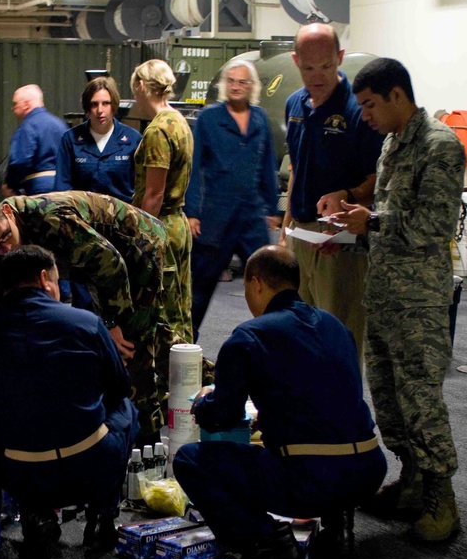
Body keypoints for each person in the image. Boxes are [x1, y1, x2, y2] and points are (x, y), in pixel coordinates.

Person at [173, 245, 386, 559]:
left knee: (190, 460)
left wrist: (203, 401)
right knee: (333, 431)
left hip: (310, 481)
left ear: (256, 283)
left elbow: (222, 415)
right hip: (369, 472)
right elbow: (334, 398)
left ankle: (269, 542)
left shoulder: (249, 337)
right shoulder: (335, 326)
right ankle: (338, 528)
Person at [332, 58, 466, 542]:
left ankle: (440, 500)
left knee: (421, 401)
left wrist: (373, 221)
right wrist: (355, 227)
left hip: (419, 303)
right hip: (385, 295)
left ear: (396, 96)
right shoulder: (391, 144)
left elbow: (434, 226)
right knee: (388, 402)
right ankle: (410, 481)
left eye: (369, 105)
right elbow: (386, 220)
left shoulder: (440, 145)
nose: (364, 116)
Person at [0, 245, 138, 559]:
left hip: (21, 472)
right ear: (44, 279)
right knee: (126, 409)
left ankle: (36, 513)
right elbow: (119, 387)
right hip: (91, 463)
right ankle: (104, 514)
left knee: (1, 432)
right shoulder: (87, 323)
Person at [0, 191, 167, 447]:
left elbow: (111, 264)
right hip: (93, 265)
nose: (6, 249)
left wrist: (113, 323)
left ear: (8, 214)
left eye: (5, 237)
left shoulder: (51, 219)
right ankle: (206, 376)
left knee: (132, 347)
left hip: (136, 247)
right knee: (154, 335)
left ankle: (146, 442)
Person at [279, 23, 385, 362]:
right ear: (296, 62)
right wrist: (286, 227)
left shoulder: (358, 111)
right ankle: (309, 411)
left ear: (339, 58)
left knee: (340, 336)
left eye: (326, 66)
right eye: (308, 68)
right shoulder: (294, 105)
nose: (318, 75)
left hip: (339, 244)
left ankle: (344, 412)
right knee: (300, 333)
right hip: (301, 237)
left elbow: (378, 178)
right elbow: (295, 169)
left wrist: (348, 195)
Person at [184, 59, 281, 342]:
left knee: (269, 282)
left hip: (251, 217)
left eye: (243, 82)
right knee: (199, 291)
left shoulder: (260, 118)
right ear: (225, 85)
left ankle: (274, 342)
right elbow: (194, 166)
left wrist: (272, 207)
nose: (237, 87)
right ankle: (185, 345)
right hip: (215, 218)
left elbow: (267, 165)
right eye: (232, 81)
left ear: (252, 87)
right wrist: (192, 212)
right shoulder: (209, 118)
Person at [131, 58, 194, 345]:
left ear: (142, 86)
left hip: (161, 227)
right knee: (181, 308)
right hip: (177, 225)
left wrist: (140, 238)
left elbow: (154, 193)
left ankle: (172, 380)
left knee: (165, 311)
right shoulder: (178, 121)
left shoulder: (157, 130)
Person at [54, 76, 141, 204]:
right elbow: (62, 188)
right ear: (87, 108)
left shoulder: (133, 139)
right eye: (94, 104)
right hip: (83, 217)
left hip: (122, 217)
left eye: (106, 103)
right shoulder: (70, 139)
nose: (100, 110)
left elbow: (140, 187)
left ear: (114, 105)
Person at [2, 84, 67, 197]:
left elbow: (20, 162)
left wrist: (10, 185)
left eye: (15, 104)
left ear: (26, 104)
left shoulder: (27, 127)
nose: (13, 109)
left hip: (38, 189)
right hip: (64, 188)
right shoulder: (60, 125)